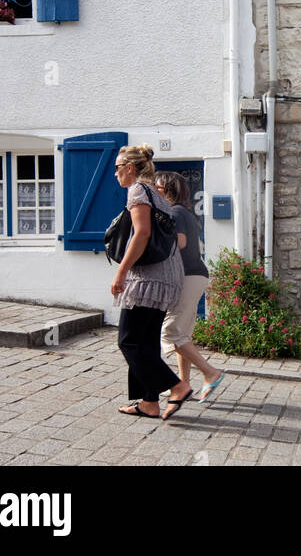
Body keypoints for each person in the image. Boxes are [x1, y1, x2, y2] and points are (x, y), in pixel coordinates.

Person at [111, 144, 193, 420]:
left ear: (130, 168)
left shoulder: (137, 190)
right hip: (167, 275)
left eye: (118, 167)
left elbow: (142, 234)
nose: (115, 174)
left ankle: (177, 386)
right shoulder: (159, 196)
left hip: (149, 278)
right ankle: (148, 402)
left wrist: (121, 271)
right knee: (145, 342)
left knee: (128, 341)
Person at [154, 169, 226, 402]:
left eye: (157, 187)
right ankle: (182, 384)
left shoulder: (174, 211)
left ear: (165, 189)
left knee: (171, 332)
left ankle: (210, 372)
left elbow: (180, 242)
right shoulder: (184, 211)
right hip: (195, 276)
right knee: (182, 333)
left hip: (188, 276)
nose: (153, 190)